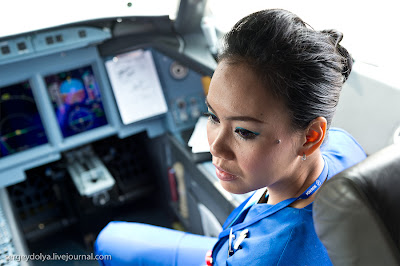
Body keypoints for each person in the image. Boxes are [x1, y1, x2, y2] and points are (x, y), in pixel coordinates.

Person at [95, 8, 366, 265]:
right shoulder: (341, 144)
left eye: (245, 132)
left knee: (106, 243)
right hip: (227, 248)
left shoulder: (273, 257)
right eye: (213, 116)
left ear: (310, 137)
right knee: (110, 239)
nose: (215, 146)